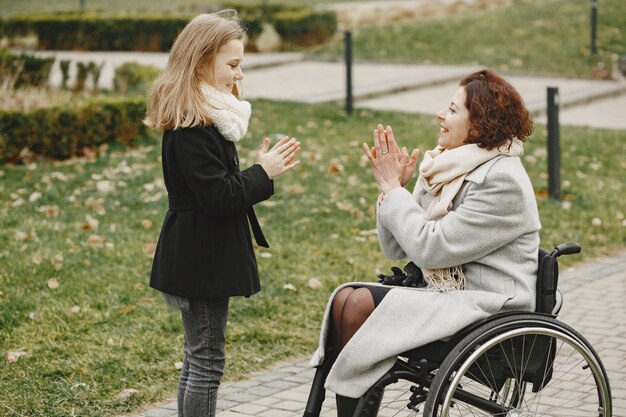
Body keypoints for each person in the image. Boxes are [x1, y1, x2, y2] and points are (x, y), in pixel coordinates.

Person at [309, 69, 539, 416]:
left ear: (478, 126)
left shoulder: (502, 181)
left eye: (452, 109)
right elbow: (398, 248)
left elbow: (430, 248)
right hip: (447, 294)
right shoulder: (446, 165)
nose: (440, 115)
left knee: (356, 304)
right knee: (345, 299)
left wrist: (393, 191)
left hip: (487, 305)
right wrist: (393, 192)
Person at [143, 11, 301, 417]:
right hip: (201, 257)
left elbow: (216, 185)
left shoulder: (205, 116)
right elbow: (218, 195)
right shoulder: (191, 126)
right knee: (206, 362)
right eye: (232, 65)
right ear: (200, 62)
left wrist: (256, 169)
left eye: (240, 64)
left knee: (198, 359)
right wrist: (262, 171)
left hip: (199, 252)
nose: (239, 74)